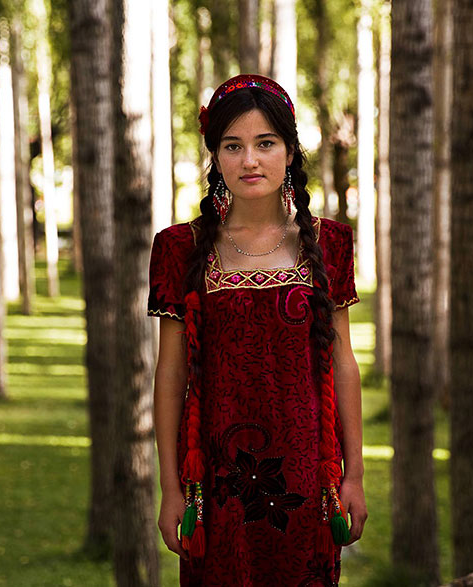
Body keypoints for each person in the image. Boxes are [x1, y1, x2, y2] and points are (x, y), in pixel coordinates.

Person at [148, 74, 367, 586]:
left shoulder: (329, 244)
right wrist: (170, 487)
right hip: (213, 482)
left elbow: (344, 363)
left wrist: (353, 473)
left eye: (265, 144)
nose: (250, 160)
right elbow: (169, 374)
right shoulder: (180, 249)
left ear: (289, 152)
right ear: (215, 156)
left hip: (309, 477)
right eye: (233, 146)